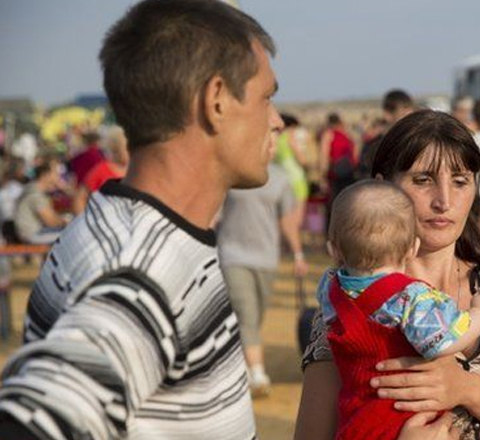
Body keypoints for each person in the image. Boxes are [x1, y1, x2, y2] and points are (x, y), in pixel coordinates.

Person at [0, 1, 282, 438]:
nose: (277, 121)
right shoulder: (142, 268)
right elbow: (33, 420)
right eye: (267, 97)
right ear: (217, 100)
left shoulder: (136, 229)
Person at [294, 110, 480, 440]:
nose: (444, 201)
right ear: (381, 186)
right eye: (422, 180)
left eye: (460, 182)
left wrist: (467, 389)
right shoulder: (347, 307)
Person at [319, 179, 480, 439]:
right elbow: (442, 341)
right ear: (412, 249)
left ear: (334, 251)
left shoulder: (330, 290)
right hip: (399, 422)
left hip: (355, 423)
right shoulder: (411, 299)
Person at [218, 160, 307, 397]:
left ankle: (242, 365)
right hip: (232, 254)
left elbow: (286, 220)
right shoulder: (231, 172)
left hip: (267, 258)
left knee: (254, 317)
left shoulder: (280, 178)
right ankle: (258, 373)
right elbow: (213, 213)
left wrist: (298, 254)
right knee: (245, 312)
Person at [357, 89, 415, 179]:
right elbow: (365, 175)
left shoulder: (414, 141)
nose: (409, 121)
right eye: (403, 115)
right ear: (387, 114)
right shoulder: (375, 145)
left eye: (412, 116)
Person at [72, 126, 129, 213]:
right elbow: (79, 198)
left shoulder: (137, 169)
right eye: (127, 148)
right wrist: (87, 223)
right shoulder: (102, 169)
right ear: (116, 149)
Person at [13, 158, 69, 244]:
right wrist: (67, 221)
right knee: (69, 235)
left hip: (29, 233)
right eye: (55, 174)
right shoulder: (35, 193)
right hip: (31, 234)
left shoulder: (33, 188)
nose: (59, 177)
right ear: (45, 175)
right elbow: (51, 221)